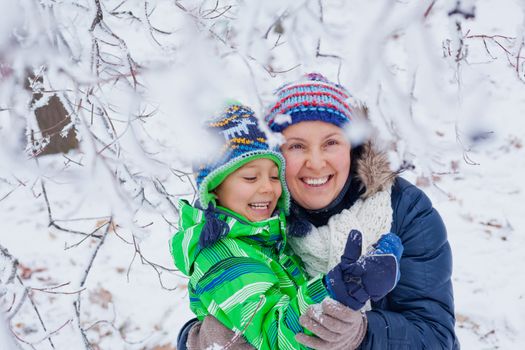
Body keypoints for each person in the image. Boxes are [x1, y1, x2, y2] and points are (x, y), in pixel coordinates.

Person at [177, 75, 459, 350]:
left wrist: (361, 335)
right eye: (297, 146)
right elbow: (237, 302)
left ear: (353, 148)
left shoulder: (405, 210)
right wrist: (196, 340)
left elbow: (436, 337)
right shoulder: (256, 219)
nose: (315, 162)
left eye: (331, 143)